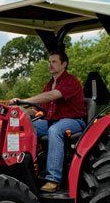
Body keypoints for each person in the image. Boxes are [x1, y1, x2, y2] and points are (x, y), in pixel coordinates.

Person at [8, 48, 85, 193]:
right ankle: (26, 170)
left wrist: (24, 100)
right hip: (52, 120)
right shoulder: (49, 84)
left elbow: (51, 96)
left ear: (64, 64)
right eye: (49, 62)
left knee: (54, 131)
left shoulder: (70, 81)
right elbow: (41, 108)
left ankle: (53, 179)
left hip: (73, 121)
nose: (50, 65)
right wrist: (23, 112)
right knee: (27, 127)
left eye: (54, 62)